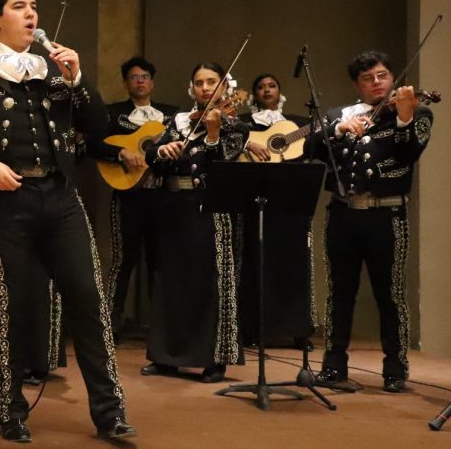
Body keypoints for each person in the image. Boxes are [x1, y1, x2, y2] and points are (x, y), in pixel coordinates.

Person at [0, 0, 134, 442]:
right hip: (2, 201)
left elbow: (99, 126)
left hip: (60, 196)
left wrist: (77, 79)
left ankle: (110, 413)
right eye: (19, 6)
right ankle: (11, 409)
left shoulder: (54, 69)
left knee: (89, 299)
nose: (31, 14)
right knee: (12, 305)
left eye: (34, 7)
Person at [314, 51, 432, 394]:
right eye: (368, 78)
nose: (377, 82)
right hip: (343, 213)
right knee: (340, 292)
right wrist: (338, 128)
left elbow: (410, 153)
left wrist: (404, 118)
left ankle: (395, 368)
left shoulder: (416, 113)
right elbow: (310, 146)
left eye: (382, 75)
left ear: (392, 78)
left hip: (386, 215)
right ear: (357, 85)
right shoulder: (340, 115)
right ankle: (333, 365)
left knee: (390, 294)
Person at [140, 62, 246, 384]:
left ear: (224, 87)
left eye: (212, 82)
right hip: (173, 208)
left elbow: (220, 165)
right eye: (199, 82)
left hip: (210, 209)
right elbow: (151, 155)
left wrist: (213, 134)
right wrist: (163, 150)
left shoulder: (235, 127)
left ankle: (214, 360)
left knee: (209, 283)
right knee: (170, 281)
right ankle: (166, 357)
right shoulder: (178, 121)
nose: (205, 88)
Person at [92, 56, 178, 335]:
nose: (140, 81)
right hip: (128, 197)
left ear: (152, 82)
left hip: (163, 198)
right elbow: (93, 144)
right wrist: (120, 152)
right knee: (122, 260)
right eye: (134, 77)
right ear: (126, 83)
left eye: (145, 77)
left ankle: (162, 329)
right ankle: (111, 326)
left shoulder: (172, 116)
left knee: (160, 262)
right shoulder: (113, 113)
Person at [238, 73, 316, 349]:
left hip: (289, 203)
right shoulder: (244, 125)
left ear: (280, 91)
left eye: (272, 85)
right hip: (255, 201)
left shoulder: (298, 123)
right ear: (254, 95)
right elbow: (229, 141)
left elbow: (314, 146)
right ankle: (252, 329)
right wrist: (247, 144)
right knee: (254, 263)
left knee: (293, 265)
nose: (266, 90)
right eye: (260, 87)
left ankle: (298, 330)